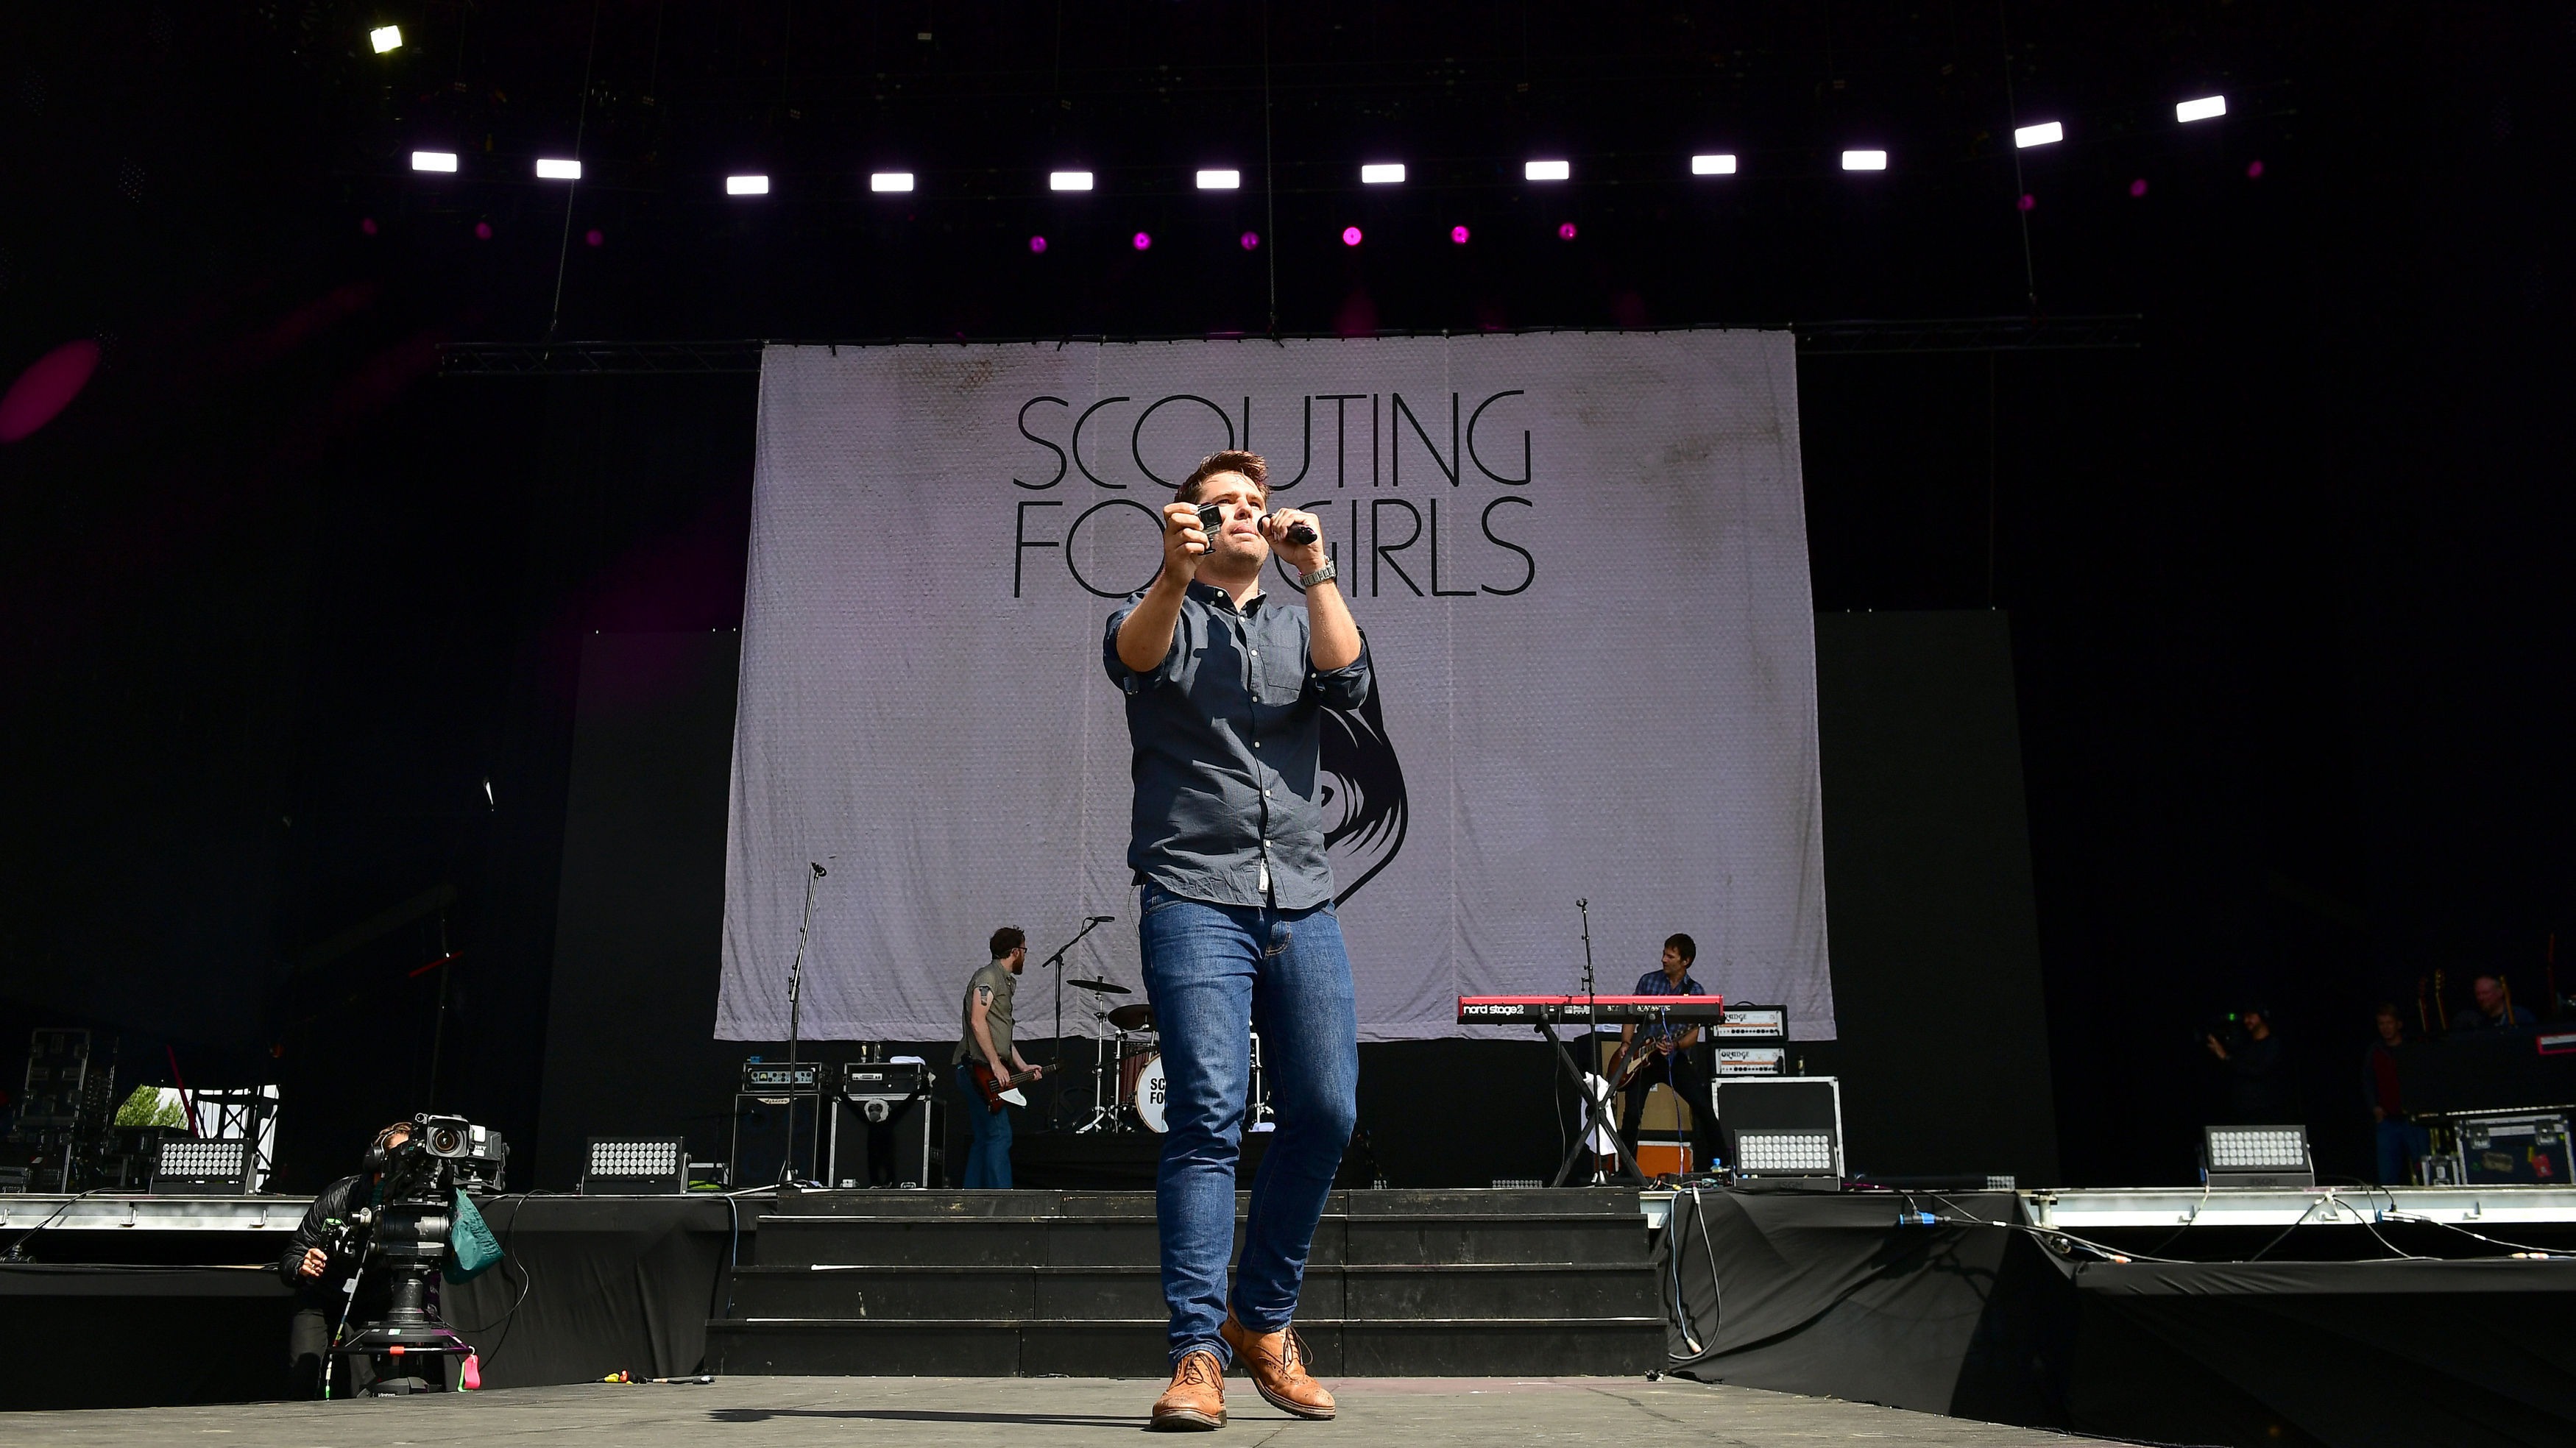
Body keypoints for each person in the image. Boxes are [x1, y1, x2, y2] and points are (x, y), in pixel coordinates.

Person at [1106, 449, 1366, 1430]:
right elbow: (1131, 658)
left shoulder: (1302, 620)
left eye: (1257, 504)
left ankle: (1261, 1321)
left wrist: (1318, 568)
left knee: (1328, 1112)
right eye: (1225, 506)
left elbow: (1350, 687)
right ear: (1189, 526)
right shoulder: (1162, 615)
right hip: (1192, 893)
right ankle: (1196, 1356)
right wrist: (1171, 575)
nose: (1249, 515)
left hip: (1300, 896)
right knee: (1209, 1115)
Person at [279, 1121, 414, 1398]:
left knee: (363, 1385)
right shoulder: (340, 1196)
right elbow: (292, 1256)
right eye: (397, 1156)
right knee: (302, 1375)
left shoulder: (415, 1204)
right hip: (322, 1294)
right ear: (376, 1159)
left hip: (372, 1301)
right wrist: (301, 1266)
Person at [1613, 934, 1719, 1179]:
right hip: (1643, 1058)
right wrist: (1626, 1043)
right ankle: (1627, 1173)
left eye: (1670, 956)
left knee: (1702, 1106)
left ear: (1686, 961)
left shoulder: (1695, 991)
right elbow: (1631, 1016)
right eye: (1664, 954)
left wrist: (1676, 1045)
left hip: (1673, 1059)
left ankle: (1722, 1163)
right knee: (1631, 1115)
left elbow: (1693, 1035)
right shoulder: (1649, 982)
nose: (1664, 959)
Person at [953, 927, 1042, 1189]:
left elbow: (999, 1032)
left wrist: (1022, 1065)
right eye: (1024, 950)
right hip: (976, 1067)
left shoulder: (1002, 980)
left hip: (979, 1066)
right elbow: (977, 1022)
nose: (1025, 956)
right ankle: (1001, 1203)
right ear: (1015, 952)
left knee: (985, 1137)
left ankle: (971, 1200)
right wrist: (995, 1063)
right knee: (1000, 1135)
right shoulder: (988, 977)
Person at [2364, 1003, 2430, 1185]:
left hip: (2413, 1119)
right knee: (2387, 1174)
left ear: (2398, 1024)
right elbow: (2368, 1081)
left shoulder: (2412, 1047)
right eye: (2381, 1024)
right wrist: (2374, 1107)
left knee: (2422, 1168)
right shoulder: (2375, 1051)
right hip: (2387, 1121)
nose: (2385, 1028)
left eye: (2389, 1023)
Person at [2204, 1006, 2297, 1124]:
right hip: (2243, 1113)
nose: (2246, 1020)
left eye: (2251, 1015)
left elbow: (2258, 1070)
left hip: (2266, 1113)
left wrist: (2225, 1057)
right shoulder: (2245, 1047)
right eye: (2245, 1016)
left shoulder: (2273, 1045)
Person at [2451, 973, 2537, 1032]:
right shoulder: (2477, 1021)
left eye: (2485, 993)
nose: (2481, 998)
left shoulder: (2519, 1016)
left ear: (2500, 992)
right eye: (2478, 994)